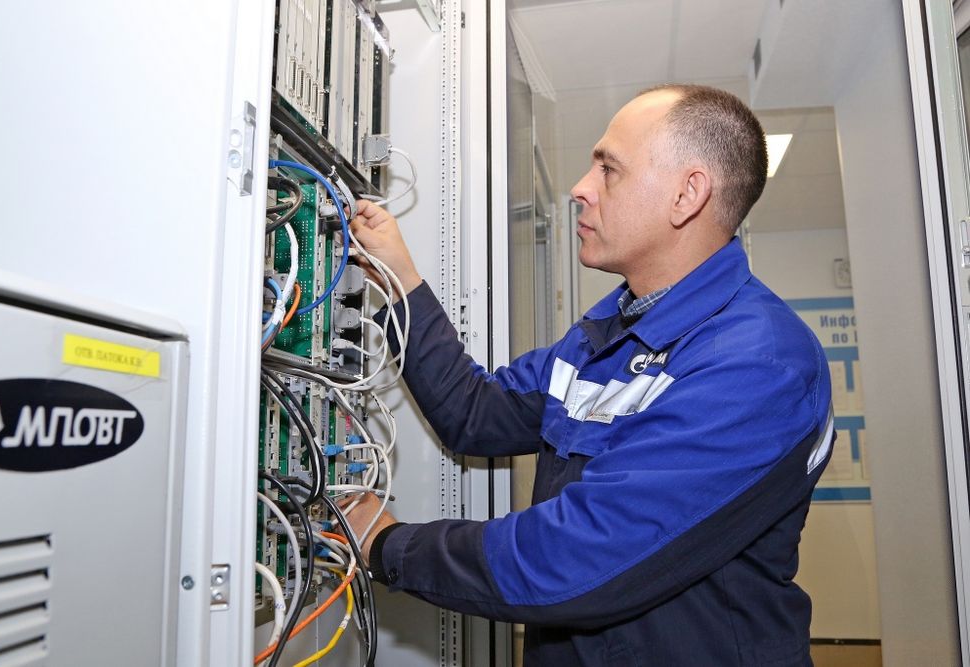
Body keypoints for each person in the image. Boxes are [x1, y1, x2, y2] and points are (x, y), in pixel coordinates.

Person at [344, 84, 833, 666]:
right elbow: (475, 412)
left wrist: (387, 544)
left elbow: (576, 557)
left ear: (687, 195)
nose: (581, 187)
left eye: (609, 169)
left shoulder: (758, 363)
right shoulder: (607, 336)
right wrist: (399, 280)